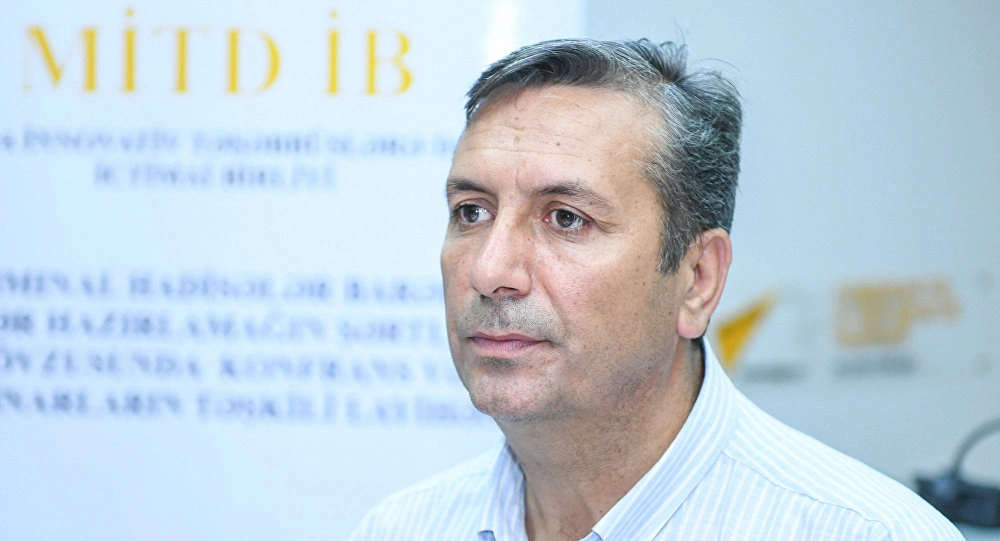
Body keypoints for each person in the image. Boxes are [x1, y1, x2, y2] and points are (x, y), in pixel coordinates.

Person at [348, 38, 964, 541]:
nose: (489, 271)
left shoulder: (863, 533)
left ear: (697, 281)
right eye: (472, 211)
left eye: (566, 218)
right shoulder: (401, 528)